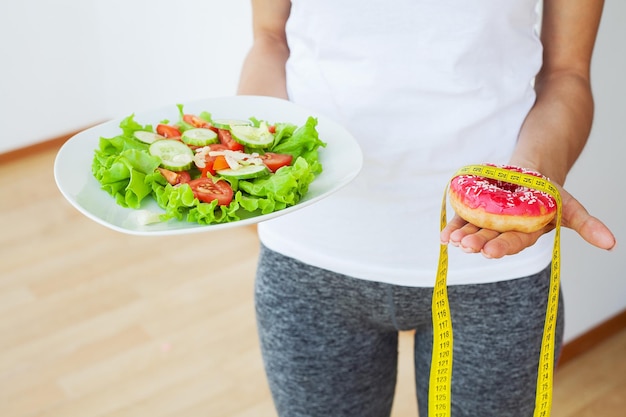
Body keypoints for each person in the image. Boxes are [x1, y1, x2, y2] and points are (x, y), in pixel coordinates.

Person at [237, 1, 617, 416]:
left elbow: (567, 72)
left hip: (495, 271)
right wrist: (251, 154)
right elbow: (270, 39)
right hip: (310, 253)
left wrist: (527, 179)